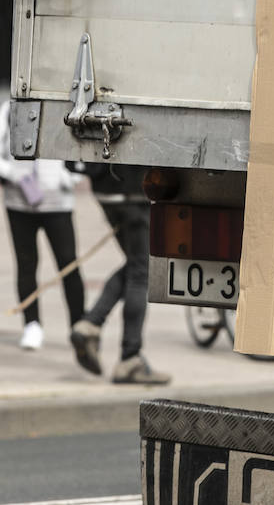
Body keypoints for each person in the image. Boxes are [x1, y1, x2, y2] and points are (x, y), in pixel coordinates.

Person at [0, 102, 85, 350]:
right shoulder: (10, 109)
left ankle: (79, 326)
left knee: (68, 264)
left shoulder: (68, 106)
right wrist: (13, 173)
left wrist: (70, 176)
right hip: (19, 203)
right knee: (26, 264)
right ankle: (32, 325)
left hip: (58, 203)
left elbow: (83, 148)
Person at [67, 162, 170, 384]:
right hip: (133, 191)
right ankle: (129, 358)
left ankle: (91, 324)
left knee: (138, 265)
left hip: (106, 191)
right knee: (142, 272)